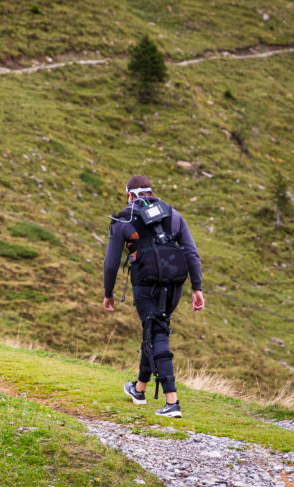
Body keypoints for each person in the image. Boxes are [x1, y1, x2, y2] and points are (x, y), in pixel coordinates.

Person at [102, 174, 204, 417]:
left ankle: (172, 402)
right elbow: (191, 252)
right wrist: (197, 288)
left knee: (157, 333)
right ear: (151, 192)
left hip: (145, 285)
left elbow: (111, 262)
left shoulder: (123, 218)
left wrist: (108, 292)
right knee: (154, 329)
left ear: (129, 195)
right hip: (175, 285)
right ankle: (139, 389)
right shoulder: (173, 214)